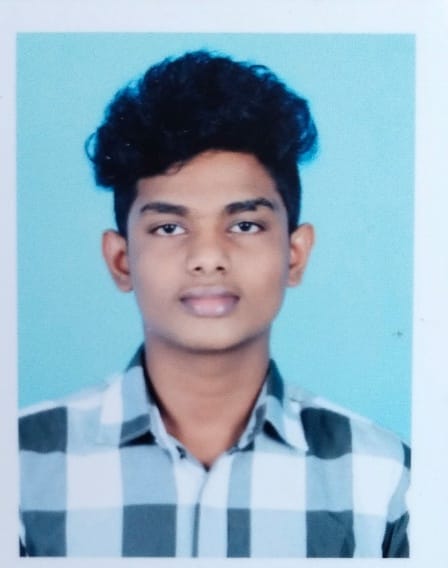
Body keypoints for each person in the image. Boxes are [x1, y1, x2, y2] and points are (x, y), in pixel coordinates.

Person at [19, 50, 410, 558]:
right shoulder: (22, 466)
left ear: (294, 254)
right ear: (121, 260)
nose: (207, 257)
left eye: (245, 224)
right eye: (169, 227)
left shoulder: (385, 478)